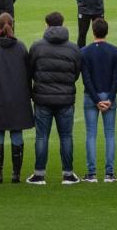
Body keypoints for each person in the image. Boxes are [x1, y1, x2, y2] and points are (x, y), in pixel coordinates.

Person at [26, 11, 82, 184]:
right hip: (65, 98)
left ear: (47, 25)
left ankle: (39, 174)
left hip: (43, 98)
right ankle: (67, 174)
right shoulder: (73, 47)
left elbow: (30, 71)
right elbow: (76, 73)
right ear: (63, 24)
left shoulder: (37, 46)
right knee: (66, 136)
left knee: (42, 136)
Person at [0, 13, 32, 183]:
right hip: (18, 97)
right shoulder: (21, 47)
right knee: (16, 132)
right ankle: (16, 174)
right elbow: (29, 73)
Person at [81, 17, 117, 182]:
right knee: (110, 134)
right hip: (108, 95)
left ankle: (91, 173)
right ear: (107, 32)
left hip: (91, 96)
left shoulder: (85, 51)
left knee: (91, 134)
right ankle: (109, 173)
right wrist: (110, 98)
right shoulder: (114, 51)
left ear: (93, 32)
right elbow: (116, 77)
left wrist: (96, 99)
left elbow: (86, 78)